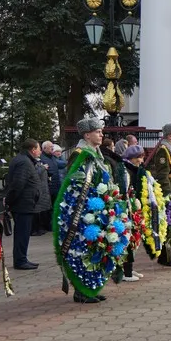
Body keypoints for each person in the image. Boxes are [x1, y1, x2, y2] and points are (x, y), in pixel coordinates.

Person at [57, 117, 127, 303]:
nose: (101, 134)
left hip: (99, 207)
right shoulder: (80, 153)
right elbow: (74, 183)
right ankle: (81, 290)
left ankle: (91, 287)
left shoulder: (96, 153)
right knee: (83, 249)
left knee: (97, 247)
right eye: (98, 132)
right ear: (87, 135)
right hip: (84, 210)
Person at [148, 123, 171, 265]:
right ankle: (166, 256)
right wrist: (168, 192)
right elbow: (163, 174)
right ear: (170, 136)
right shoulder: (163, 150)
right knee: (169, 222)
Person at [5, 139, 42, 270]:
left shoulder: (25, 160)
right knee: (22, 233)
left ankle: (22, 258)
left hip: (25, 204)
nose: (40, 151)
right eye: (39, 148)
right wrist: (10, 201)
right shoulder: (24, 162)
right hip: (23, 205)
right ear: (33, 149)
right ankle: (20, 260)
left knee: (24, 233)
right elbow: (18, 184)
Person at [120, 144, 147, 282]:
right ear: (131, 158)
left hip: (135, 207)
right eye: (139, 158)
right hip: (128, 208)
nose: (141, 161)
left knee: (134, 238)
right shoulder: (126, 170)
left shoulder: (136, 170)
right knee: (128, 239)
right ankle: (126, 271)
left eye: (142, 157)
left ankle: (129, 267)